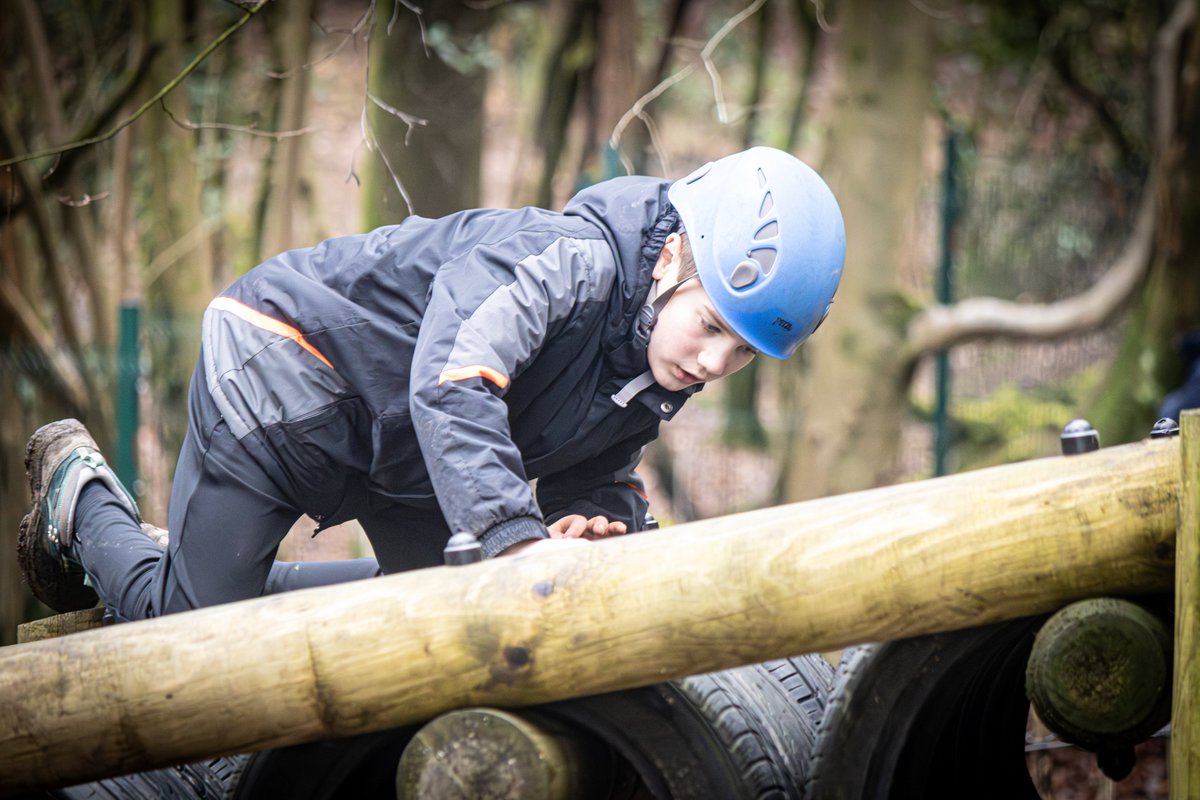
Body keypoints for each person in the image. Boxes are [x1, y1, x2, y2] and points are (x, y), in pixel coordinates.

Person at [18, 146, 846, 620]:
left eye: (741, 355)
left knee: (433, 622)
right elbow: (456, 379)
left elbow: (590, 475)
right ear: (671, 260)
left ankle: (206, 555)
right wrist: (516, 540)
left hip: (405, 447)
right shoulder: (570, 260)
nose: (712, 365)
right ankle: (81, 497)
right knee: (191, 633)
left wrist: (595, 525)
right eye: (710, 328)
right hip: (286, 372)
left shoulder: (650, 364)